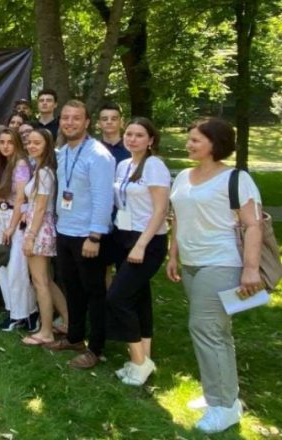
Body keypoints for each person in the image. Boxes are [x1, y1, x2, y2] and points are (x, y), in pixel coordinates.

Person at [167, 118, 263, 433]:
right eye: (189, 139)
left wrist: (250, 269)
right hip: (191, 263)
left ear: (215, 144)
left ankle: (223, 407)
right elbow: (177, 217)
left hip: (222, 263)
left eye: (196, 140)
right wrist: (173, 255)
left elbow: (253, 225)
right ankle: (221, 395)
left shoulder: (236, 179)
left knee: (205, 328)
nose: (189, 144)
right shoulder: (183, 176)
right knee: (217, 332)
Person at [46, 100, 115, 369]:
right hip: (65, 230)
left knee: (94, 292)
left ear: (87, 122)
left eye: (76, 118)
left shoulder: (98, 155)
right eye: (65, 118)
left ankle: (95, 348)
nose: (70, 123)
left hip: (88, 235)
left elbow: (103, 198)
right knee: (72, 288)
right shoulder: (63, 152)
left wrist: (95, 236)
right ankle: (75, 337)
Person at [106, 118, 170, 386]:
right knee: (139, 296)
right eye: (129, 134)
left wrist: (141, 245)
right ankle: (144, 357)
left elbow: (161, 210)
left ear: (151, 140)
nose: (132, 139)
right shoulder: (124, 165)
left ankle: (139, 362)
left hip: (147, 240)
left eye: (139, 135)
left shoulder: (154, 166)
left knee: (118, 297)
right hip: (124, 235)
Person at [21, 129, 69, 346]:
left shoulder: (44, 173)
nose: (31, 146)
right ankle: (68, 320)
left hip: (39, 229)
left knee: (39, 281)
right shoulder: (40, 169)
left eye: (37, 143)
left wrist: (30, 236)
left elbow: (41, 208)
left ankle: (46, 331)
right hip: (39, 225)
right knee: (46, 280)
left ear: (47, 146)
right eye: (29, 142)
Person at [0, 128, 37, 332]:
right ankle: (13, 309)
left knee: (16, 269)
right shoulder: (3, 163)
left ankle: (24, 314)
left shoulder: (20, 164)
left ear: (17, 143)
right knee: (2, 264)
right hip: (3, 215)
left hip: (16, 218)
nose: (5, 146)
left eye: (10, 142)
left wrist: (11, 227)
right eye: (2, 142)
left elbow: (21, 197)